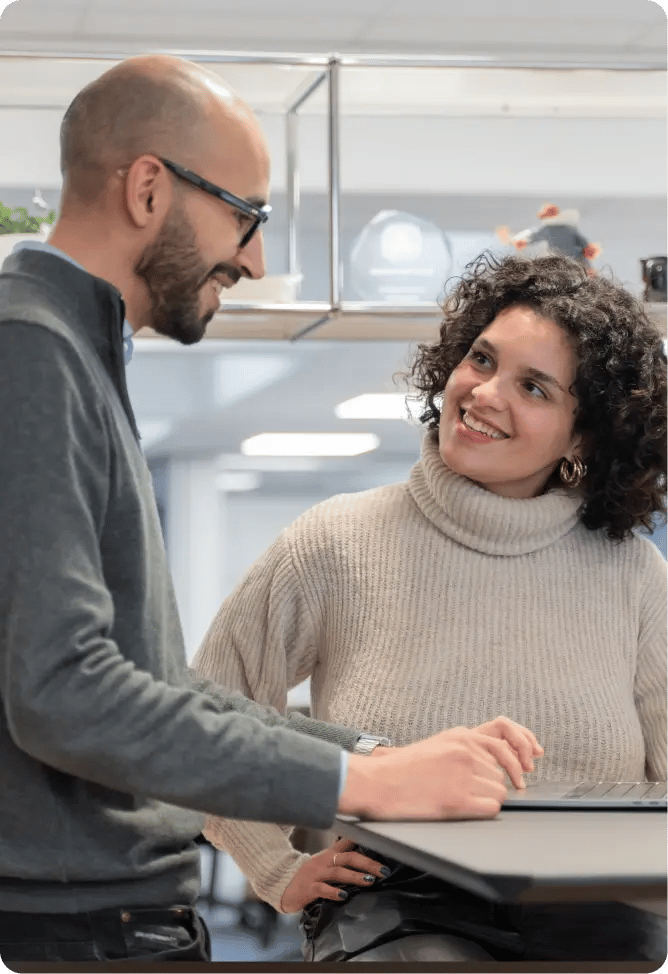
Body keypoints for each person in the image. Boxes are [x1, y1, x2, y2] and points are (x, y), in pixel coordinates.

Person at [0, 56, 541, 964]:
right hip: (82, 931)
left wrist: (382, 754)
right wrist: (360, 780)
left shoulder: (74, 354)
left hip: (114, 923)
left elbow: (157, 680)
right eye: (246, 216)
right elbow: (63, 694)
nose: (252, 257)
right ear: (146, 189)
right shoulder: (32, 353)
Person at [193, 252, 668, 962]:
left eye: (534, 386)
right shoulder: (335, 542)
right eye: (482, 358)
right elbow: (200, 716)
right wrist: (276, 869)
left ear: (583, 437)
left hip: (599, 920)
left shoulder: (633, 573)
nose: (483, 393)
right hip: (397, 919)